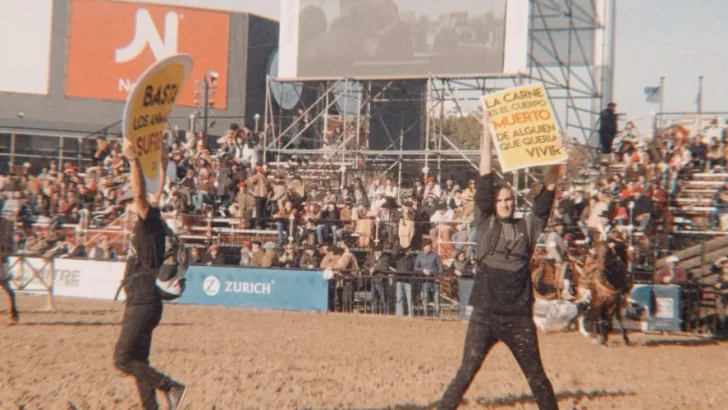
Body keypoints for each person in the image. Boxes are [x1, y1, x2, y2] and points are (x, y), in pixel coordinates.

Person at [438, 109, 560, 410]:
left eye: (509, 200)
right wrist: (487, 133)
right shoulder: (485, 223)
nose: (505, 204)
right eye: (500, 200)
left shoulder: (528, 227)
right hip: (484, 317)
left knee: (538, 379)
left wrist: (556, 156)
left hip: (518, 319)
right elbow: (484, 174)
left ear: (514, 203)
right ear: (492, 204)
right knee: (464, 374)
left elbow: (549, 191)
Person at [114, 139, 187, 410]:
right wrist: (164, 163)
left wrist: (133, 160)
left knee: (122, 359)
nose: (129, 207)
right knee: (140, 363)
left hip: (142, 301)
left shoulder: (147, 222)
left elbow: (142, 194)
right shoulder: (154, 222)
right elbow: (153, 195)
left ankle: (171, 387)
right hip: (148, 301)